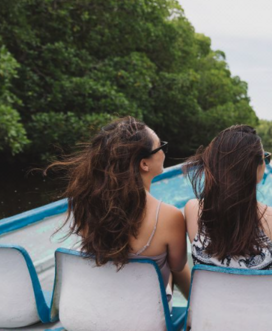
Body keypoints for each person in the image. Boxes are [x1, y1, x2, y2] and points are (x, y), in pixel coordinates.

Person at [46, 116, 190, 300]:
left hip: (101, 308)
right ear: (144, 164)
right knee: (174, 265)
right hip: (146, 317)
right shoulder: (169, 216)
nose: (163, 151)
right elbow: (177, 268)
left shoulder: (86, 205)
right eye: (160, 146)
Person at [183, 125, 272, 271]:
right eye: (265, 158)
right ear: (255, 169)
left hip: (211, 294)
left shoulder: (192, 209)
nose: (266, 163)